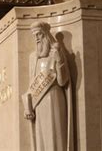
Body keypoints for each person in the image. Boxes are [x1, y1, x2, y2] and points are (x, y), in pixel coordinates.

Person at [22, 21, 73, 151]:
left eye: (39, 34)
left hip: (54, 97)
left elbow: (63, 81)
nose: (37, 38)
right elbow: (31, 85)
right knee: (41, 137)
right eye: (35, 36)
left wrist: (59, 60)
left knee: (55, 133)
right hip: (39, 102)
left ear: (45, 35)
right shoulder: (33, 58)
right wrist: (28, 107)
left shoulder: (56, 53)